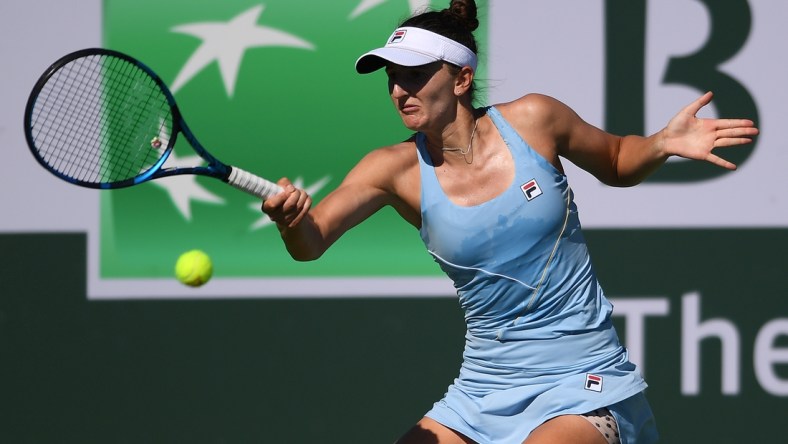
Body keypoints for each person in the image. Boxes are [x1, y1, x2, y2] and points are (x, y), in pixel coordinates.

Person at [261, 1, 758, 443]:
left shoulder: (535, 119)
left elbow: (618, 160)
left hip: (584, 380)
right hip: (483, 389)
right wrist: (290, 222)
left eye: (414, 74)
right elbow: (313, 239)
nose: (397, 90)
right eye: (391, 77)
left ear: (460, 79)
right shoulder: (391, 170)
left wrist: (661, 143)